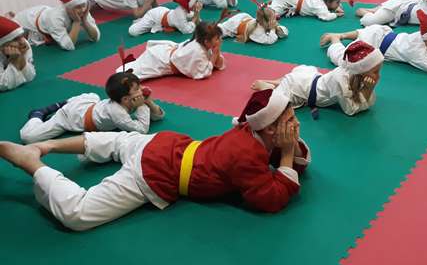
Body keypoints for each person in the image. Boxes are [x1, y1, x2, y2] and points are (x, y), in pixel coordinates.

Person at [0, 89, 311, 231]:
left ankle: (48, 145)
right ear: (270, 128)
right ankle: (32, 160)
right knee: (79, 213)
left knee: (117, 142)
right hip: (159, 170)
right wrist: (286, 153)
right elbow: (270, 199)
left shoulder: (252, 131)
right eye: (290, 120)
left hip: (168, 143)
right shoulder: (246, 153)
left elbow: (297, 164)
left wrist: (287, 148)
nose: (296, 124)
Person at [19, 71, 165, 144]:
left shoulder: (128, 99)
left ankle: (66, 103)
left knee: (93, 96)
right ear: (125, 99)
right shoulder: (117, 112)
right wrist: (141, 107)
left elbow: (158, 117)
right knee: (29, 137)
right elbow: (142, 129)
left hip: (88, 104)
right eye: (137, 89)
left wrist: (149, 102)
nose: (142, 90)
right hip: (71, 117)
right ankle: (40, 113)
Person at [252, 41, 383, 117]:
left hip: (311, 78)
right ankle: (268, 87)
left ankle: (279, 82)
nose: (379, 75)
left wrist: (367, 88)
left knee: (294, 77)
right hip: (302, 89)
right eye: (375, 72)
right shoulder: (340, 80)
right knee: (277, 103)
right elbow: (351, 109)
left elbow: (357, 97)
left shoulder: (353, 72)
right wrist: (368, 89)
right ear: (361, 71)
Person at [321, 10, 427, 75]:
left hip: (381, 33)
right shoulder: (416, 50)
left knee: (364, 32)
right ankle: (336, 39)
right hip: (376, 42)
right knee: (344, 62)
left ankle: (341, 35)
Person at [121, 21, 225, 80]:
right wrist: (214, 55)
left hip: (166, 54)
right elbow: (204, 73)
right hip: (160, 60)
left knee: (133, 71)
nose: (220, 40)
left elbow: (219, 65)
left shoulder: (203, 45)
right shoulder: (197, 51)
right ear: (206, 41)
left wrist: (217, 52)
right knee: (131, 74)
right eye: (217, 38)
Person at [15, 0, 100, 51]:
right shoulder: (55, 18)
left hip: (44, 14)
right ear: (68, 8)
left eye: (83, 5)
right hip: (27, 20)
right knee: (15, 40)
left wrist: (84, 21)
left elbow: (96, 37)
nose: (82, 9)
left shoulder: (83, 11)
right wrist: (77, 22)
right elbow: (69, 46)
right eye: (78, 7)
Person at [128, 0, 202, 37]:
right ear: (190, 3)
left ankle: (145, 22)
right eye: (196, 1)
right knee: (133, 31)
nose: (198, 3)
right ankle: (143, 22)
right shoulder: (180, 15)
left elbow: (197, 21)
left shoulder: (184, 11)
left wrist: (197, 13)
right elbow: (186, 30)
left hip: (163, 12)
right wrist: (195, 18)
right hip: (155, 16)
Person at [0, 15, 35, 92]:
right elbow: (2, 85)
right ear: (2, 44)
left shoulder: (24, 44)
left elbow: (30, 76)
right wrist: (14, 61)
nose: (22, 42)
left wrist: (20, 58)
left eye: (22, 36)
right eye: (15, 39)